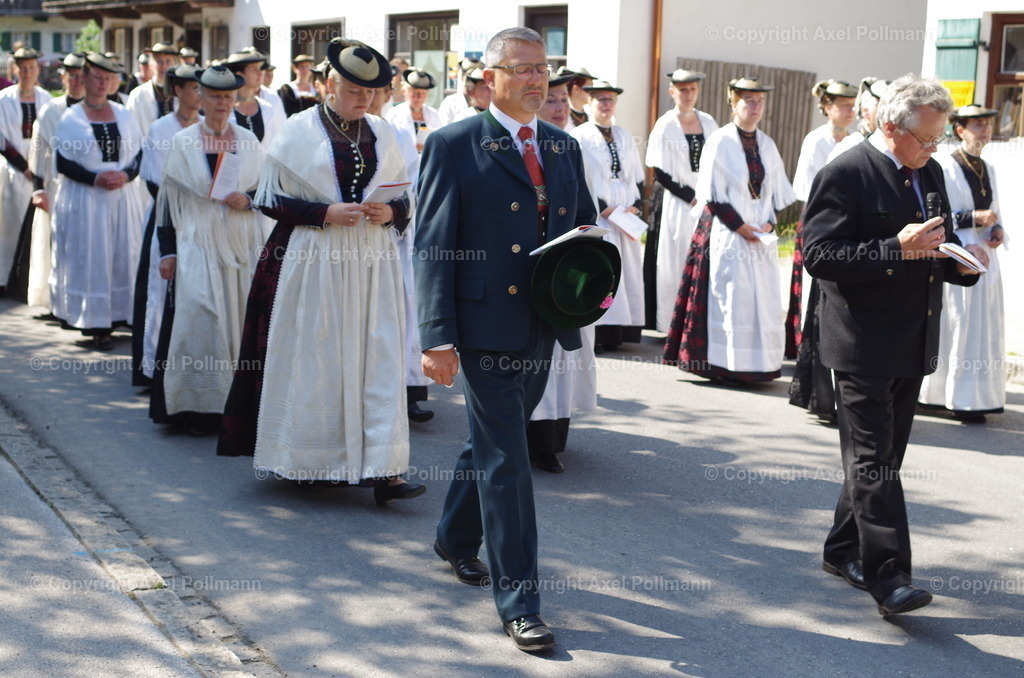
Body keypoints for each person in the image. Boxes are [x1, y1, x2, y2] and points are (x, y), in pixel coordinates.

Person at [415, 26, 596, 651]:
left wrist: (584, 287)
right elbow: (432, 245)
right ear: (488, 78)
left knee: (496, 441)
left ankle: (453, 537)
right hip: (484, 326)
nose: (536, 79)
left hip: (543, 323)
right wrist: (437, 337)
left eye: (542, 68)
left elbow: (584, 227)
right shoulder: (453, 145)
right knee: (509, 461)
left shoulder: (563, 146)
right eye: (521, 69)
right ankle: (520, 600)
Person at [803, 74, 981, 616]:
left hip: (911, 337)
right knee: (876, 463)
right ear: (889, 126)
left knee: (878, 459)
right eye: (926, 139)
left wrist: (962, 263)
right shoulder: (846, 172)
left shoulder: (926, 170)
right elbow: (819, 256)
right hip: (860, 342)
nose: (933, 150)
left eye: (938, 140)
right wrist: (893, 249)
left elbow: (935, 240)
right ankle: (890, 578)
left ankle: (841, 549)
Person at [217, 38, 424, 505]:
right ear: (329, 84)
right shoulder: (298, 130)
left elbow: (407, 196)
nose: (364, 100)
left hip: (372, 264)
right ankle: (312, 460)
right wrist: (324, 212)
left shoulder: (385, 132)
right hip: (314, 261)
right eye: (354, 90)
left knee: (379, 356)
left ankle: (385, 469)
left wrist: (391, 213)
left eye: (370, 93)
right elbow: (268, 198)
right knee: (320, 356)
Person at [149, 66, 264, 435]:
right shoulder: (183, 143)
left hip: (240, 244)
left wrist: (247, 198)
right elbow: (166, 204)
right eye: (215, 96)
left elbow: (268, 192)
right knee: (201, 316)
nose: (222, 104)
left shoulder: (248, 140)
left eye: (228, 97)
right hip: (197, 242)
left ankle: (235, 406)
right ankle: (198, 408)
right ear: (201, 97)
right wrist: (168, 252)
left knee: (238, 321)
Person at [663, 77, 796, 384]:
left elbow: (774, 193)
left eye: (759, 102)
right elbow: (712, 193)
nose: (755, 107)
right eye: (748, 101)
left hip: (760, 235)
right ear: (734, 103)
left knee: (760, 297)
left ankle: (758, 365)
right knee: (731, 294)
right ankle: (724, 365)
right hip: (728, 231)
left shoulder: (767, 144)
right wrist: (740, 226)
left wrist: (768, 224)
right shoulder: (720, 140)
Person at [791, 77, 891, 422]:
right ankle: (826, 397)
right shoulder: (841, 147)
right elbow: (816, 194)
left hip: (864, 249)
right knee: (829, 318)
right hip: (836, 241)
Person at [526, 68, 597, 474]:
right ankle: (526, 436)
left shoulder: (568, 147)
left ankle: (551, 438)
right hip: (526, 269)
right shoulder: (520, 144)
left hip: (562, 269)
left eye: (562, 101)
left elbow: (584, 207)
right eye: (550, 100)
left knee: (561, 357)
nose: (557, 108)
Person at [50, 52, 144, 351]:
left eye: (109, 78)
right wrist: (95, 179)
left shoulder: (125, 114)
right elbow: (63, 163)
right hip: (87, 201)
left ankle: (122, 316)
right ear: (84, 78)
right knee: (94, 257)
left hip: (121, 198)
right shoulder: (71, 118)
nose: (103, 83)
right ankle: (96, 322)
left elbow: (139, 154)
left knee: (121, 255)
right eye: (97, 77)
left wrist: (126, 175)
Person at [918, 104, 1006, 423]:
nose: (985, 130)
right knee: (957, 322)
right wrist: (972, 218)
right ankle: (939, 395)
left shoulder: (988, 167)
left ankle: (976, 395)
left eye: (987, 124)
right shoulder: (945, 165)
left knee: (983, 324)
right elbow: (938, 215)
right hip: (960, 253)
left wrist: (996, 230)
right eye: (978, 125)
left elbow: (994, 209)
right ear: (960, 130)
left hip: (985, 254)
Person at [131, 63, 203, 387]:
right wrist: (185, 209)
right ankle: (154, 367)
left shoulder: (208, 128)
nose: (199, 94)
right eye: (193, 87)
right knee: (159, 292)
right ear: (177, 91)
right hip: (167, 219)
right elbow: (156, 183)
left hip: (202, 224)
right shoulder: (161, 129)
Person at [786, 79, 858, 358]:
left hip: (847, 222)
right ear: (828, 107)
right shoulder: (816, 140)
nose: (849, 111)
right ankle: (808, 349)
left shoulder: (854, 140)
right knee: (811, 288)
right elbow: (808, 188)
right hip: (819, 219)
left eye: (853, 106)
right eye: (843, 106)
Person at [572, 80, 645, 352]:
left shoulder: (625, 135)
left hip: (625, 216)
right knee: (604, 268)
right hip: (600, 215)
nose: (606, 104)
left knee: (626, 272)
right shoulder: (580, 136)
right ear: (590, 103)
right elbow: (581, 178)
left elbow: (635, 175)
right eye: (600, 99)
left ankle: (619, 331)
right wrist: (602, 207)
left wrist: (636, 205)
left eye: (611, 100)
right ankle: (599, 329)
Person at [645, 68, 718, 333]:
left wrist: (707, 196)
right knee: (673, 261)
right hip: (677, 204)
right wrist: (690, 197)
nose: (688, 95)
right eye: (683, 89)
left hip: (705, 202)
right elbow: (659, 171)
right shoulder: (665, 125)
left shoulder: (709, 122)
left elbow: (721, 160)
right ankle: (671, 323)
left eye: (693, 89)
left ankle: (698, 323)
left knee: (704, 259)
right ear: (672, 91)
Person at [23, 52, 86, 310]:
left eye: (82, 77)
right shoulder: (52, 110)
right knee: (53, 246)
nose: (77, 81)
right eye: (72, 76)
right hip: (55, 188)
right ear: (64, 78)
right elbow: (38, 151)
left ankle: (80, 300)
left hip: (85, 190)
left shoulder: (96, 110)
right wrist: (38, 189)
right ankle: (54, 301)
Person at [0, 47, 52, 297]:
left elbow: (52, 137)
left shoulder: (46, 99)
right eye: (23, 68)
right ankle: (6, 278)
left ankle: (31, 282)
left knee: (38, 229)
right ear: (15, 70)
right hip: (14, 172)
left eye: (32, 67)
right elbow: (2, 140)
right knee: (10, 226)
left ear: (38, 69)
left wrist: (39, 169)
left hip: (40, 171)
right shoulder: (4, 99)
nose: (28, 72)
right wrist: (24, 167)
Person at [224, 50, 283, 146]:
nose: (260, 73)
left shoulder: (267, 109)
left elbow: (277, 143)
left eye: (260, 68)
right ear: (240, 74)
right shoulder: (225, 109)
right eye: (254, 69)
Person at [828, 77, 889, 162]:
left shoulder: (893, 148)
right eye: (883, 108)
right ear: (866, 112)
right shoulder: (850, 147)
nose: (890, 115)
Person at [126, 42, 179, 135]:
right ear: (151, 64)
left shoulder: (180, 93)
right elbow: (130, 129)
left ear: (174, 64)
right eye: (159, 61)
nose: (164, 66)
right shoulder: (138, 95)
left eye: (168, 61)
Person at [386, 68, 442, 153]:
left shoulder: (434, 115)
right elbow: (389, 143)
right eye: (415, 92)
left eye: (423, 93)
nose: (419, 97)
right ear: (405, 91)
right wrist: (412, 148)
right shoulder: (394, 114)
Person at [437, 57, 482, 124]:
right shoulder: (450, 103)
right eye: (468, 78)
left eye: (475, 80)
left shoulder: (487, 102)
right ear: (462, 76)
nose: (470, 83)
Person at [562, 66, 596, 131]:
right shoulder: (561, 117)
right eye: (589, 88)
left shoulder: (591, 115)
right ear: (576, 89)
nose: (592, 92)